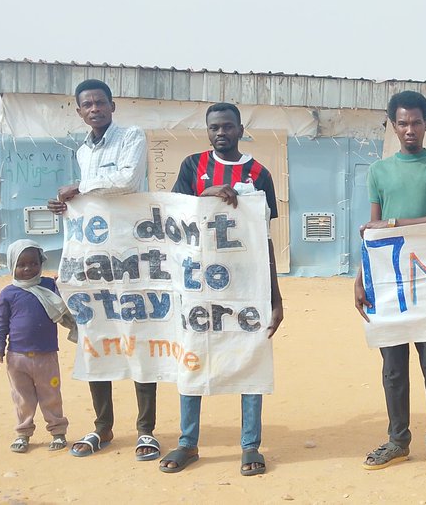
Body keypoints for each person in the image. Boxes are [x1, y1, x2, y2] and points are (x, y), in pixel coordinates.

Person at [156, 102, 285, 475]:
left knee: (250, 355)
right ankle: (187, 442)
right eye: (214, 127)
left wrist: (275, 297)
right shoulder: (192, 167)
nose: (221, 133)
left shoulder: (259, 173)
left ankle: (250, 445)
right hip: (198, 282)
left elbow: (264, 238)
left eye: (228, 126)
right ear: (207, 131)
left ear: (241, 129)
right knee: (193, 356)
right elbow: (173, 218)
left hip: (246, 284)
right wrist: (207, 195)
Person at [353, 90, 426, 476]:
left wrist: (395, 224)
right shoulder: (378, 172)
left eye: (416, 122)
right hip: (390, 285)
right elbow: (373, 232)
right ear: (393, 126)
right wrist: (361, 278)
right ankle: (397, 440)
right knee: (393, 368)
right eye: (402, 123)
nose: (409, 129)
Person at [49, 79, 160, 461]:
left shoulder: (131, 136)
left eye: (100, 102)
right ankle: (102, 427)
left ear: (112, 106)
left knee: (138, 337)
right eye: (87, 104)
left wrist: (81, 188)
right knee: (96, 336)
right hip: (93, 260)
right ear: (79, 111)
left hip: (132, 256)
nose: (94, 109)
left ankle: (146, 430)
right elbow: (92, 201)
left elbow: (126, 181)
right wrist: (69, 206)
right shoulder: (83, 151)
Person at [0, 239, 72, 454]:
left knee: (51, 395)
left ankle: (58, 431)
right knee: (22, 398)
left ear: (41, 263)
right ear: (12, 265)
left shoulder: (49, 286)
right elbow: (1, 324)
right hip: (17, 358)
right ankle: (23, 433)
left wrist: (62, 282)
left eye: (34, 263)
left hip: (47, 355)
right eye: (22, 264)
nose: (28, 269)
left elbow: (68, 294)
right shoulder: (8, 294)